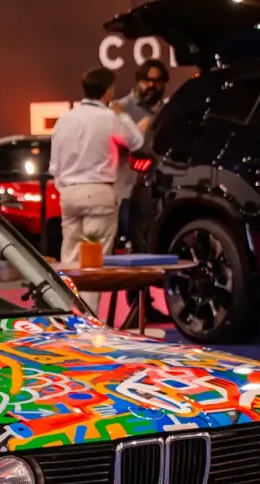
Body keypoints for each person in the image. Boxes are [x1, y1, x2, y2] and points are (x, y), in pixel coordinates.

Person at [49, 67, 148, 288]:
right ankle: (89, 310)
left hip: (69, 193)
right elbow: (136, 143)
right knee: (94, 263)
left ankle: (69, 306)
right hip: (99, 191)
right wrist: (122, 114)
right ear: (108, 92)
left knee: (70, 258)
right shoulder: (110, 118)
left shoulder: (64, 119)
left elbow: (54, 166)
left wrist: (64, 189)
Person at [116, 59, 170, 324]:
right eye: (147, 80)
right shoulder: (120, 108)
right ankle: (136, 307)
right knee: (136, 248)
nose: (152, 85)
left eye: (158, 81)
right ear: (138, 81)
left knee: (151, 248)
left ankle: (146, 305)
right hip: (128, 189)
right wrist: (136, 133)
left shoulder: (168, 109)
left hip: (160, 188)